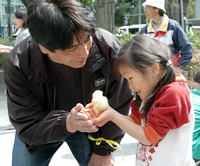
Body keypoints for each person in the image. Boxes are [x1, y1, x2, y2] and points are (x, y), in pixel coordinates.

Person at [4, 0, 133, 166]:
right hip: (41, 128)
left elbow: (119, 104)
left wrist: (104, 152)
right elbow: (27, 124)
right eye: (72, 49)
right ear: (43, 47)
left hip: (92, 128)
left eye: (87, 40)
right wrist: (68, 123)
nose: (84, 53)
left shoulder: (108, 48)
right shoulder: (19, 64)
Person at [91, 35, 195, 166]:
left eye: (130, 78)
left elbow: (148, 137)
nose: (130, 86)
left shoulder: (174, 93)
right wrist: (107, 113)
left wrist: (113, 115)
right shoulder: (150, 91)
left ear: (153, 69)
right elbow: (137, 123)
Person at [140, 0, 193, 73]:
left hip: (170, 75)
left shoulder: (173, 26)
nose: (145, 11)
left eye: (147, 7)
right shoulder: (144, 31)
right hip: (151, 76)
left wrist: (178, 68)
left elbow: (187, 50)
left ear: (156, 9)